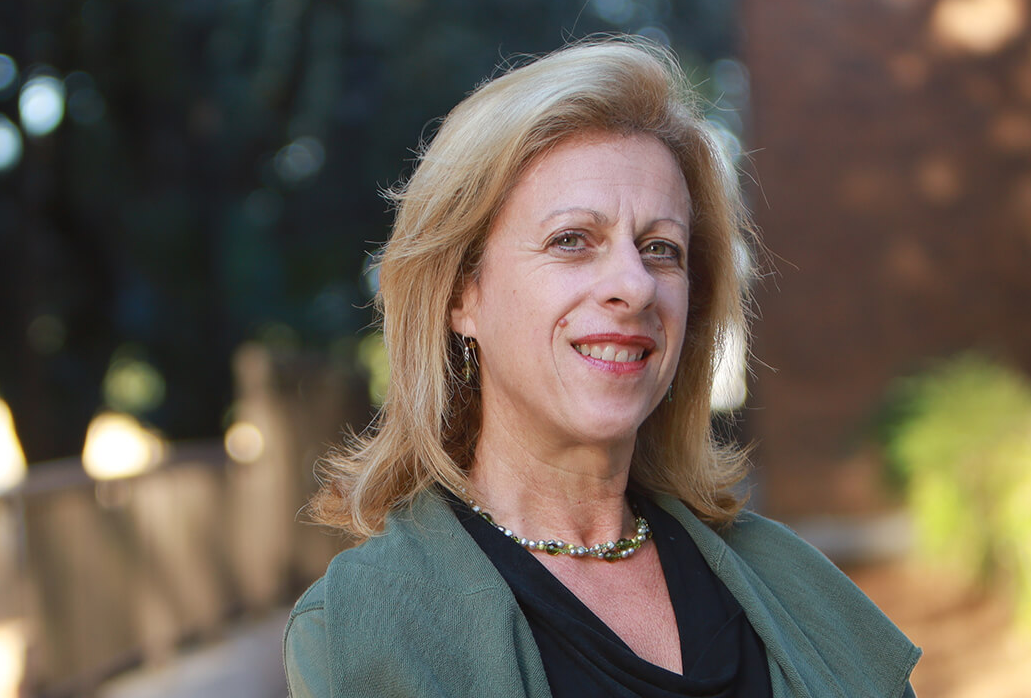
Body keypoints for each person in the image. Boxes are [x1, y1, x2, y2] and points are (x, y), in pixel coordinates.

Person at [283, 37, 920, 697]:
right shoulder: (363, 633)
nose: (634, 285)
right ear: (460, 295)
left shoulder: (797, 590)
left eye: (660, 248)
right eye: (571, 241)